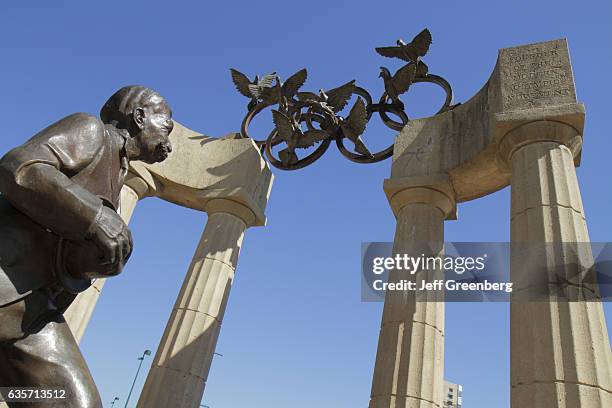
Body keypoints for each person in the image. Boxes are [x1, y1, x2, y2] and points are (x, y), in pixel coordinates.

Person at [0, 86, 173, 407]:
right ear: (139, 117)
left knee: (67, 401)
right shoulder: (92, 130)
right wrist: (94, 218)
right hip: (7, 285)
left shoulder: (118, 173)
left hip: (29, 314)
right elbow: (18, 167)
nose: (169, 143)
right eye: (166, 128)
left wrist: (100, 260)